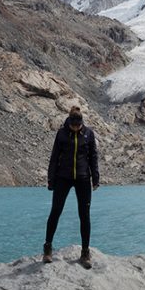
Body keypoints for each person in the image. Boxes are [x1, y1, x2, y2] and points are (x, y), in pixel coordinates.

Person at [43, 105, 100, 269]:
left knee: (84, 215)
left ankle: (85, 252)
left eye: (78, 126)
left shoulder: (88, 134)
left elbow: (93, 157)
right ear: (69, 122)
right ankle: (47, 248)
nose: (76, 128)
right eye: (73, 126)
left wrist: (95, 178)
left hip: (83, 178)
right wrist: (50, 179)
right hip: (63, 177)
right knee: (56, 211)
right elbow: (54, 157)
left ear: (82, 123)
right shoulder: (61, 133)